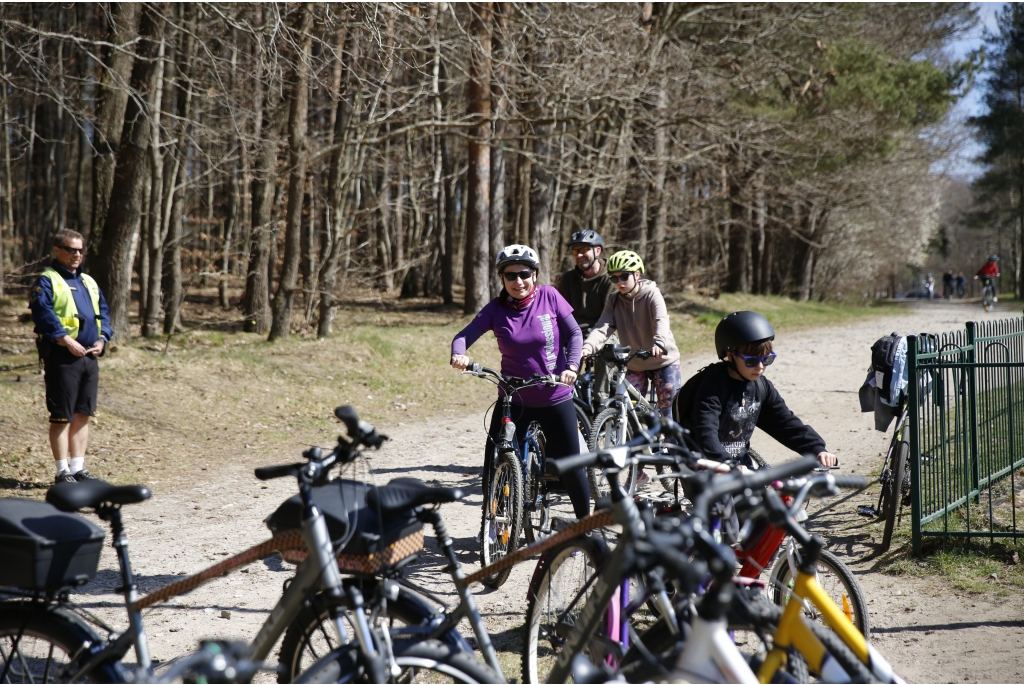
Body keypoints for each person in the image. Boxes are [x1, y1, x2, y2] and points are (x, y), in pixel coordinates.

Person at [450, 244, 591, 520]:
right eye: (511, 276)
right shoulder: (496, 309)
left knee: (572, 467)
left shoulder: (550, 296)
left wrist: (572, 367)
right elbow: (463, 336)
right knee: (494, 463)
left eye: (524, 274)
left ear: (534, 274)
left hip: (555, 396)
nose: (519, 281)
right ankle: (496, 525)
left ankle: (585, 526)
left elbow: (575, 334)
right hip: (513, 399)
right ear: (501, 278)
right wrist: (458, 354)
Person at [685, 311, 837, 469]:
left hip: (739, 465)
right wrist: (727, 465)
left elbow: (784, 423)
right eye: (751, 361)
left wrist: (817, 449)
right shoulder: (712, 386)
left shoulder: (761, 386)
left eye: (767, 359)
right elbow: (706, 432)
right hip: (704, 466)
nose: (760, 367)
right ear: (730, 356)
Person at [29, 229, 113, 483]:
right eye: (71, 250)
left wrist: (102, 339)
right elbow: (43, 314)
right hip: (62, 356)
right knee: (62, 415)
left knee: (82, 413)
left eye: (80, 250)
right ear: (57, 250)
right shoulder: (47, 280)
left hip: (89, 356)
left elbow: (104, 313)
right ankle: (62, 471)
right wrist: (66, 340)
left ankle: (78, 468)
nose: (77, 254)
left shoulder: (88, 281)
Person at [581, 250, 681, 418]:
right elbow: (602, 328)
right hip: (635, 363)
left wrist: (659, 343)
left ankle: (668, 434)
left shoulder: (652, 294)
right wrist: (587, 347)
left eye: (624, 276)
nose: (619, 282)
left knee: (669, 413)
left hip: (663, 360)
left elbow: (661, 320)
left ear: (637, 274)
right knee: (629, 412)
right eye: (614, 278)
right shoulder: (614, 301)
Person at [556, 229, 614, 403]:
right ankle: (563, 399)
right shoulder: (568, 279)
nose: (579, 255)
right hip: (573, 332)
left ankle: (601, 402)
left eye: (583, 250)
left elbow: (610, 318)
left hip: (601, 331)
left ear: (598, 250)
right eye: (575, 251)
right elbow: (559, 314)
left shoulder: (610, 278)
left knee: (609, 348)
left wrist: (590, 342)